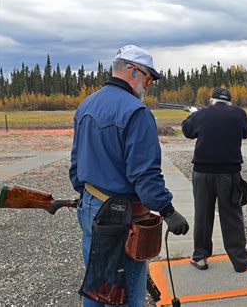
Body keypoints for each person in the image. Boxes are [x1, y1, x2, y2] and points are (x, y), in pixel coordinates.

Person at [69, 44, 189, 307]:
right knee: (126, 292)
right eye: (147, 78)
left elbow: (76, 164)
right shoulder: (136, 112)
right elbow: (144, 174)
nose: (148, 85)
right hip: (121, 214)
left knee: (96, 284)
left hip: (90, 204)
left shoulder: (86, 104)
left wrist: (85, 194)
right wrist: (167, 211)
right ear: (132, 72)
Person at [181, 87, 247, 272]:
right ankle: (240, 260)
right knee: (232, 216)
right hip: (229, 173)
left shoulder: (203, 113)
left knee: (203, 215)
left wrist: (193, 115)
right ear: (229, 102)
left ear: (211, 100)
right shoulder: (239, 113)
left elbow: (187, 131)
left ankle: (200, 257)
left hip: (202, 172)